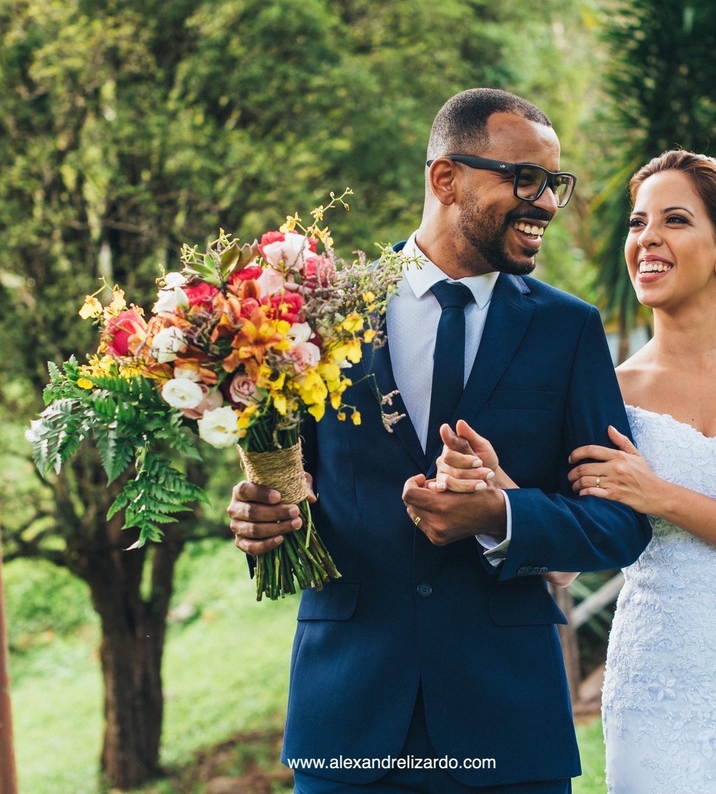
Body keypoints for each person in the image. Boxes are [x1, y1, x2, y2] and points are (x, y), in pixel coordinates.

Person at [226, 88, 652, 793]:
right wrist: (258, 516)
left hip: (508, 725)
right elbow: (285, 482)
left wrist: (501, 516)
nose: (544, 201)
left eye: (553, 185)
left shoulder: (568, 330)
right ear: (445, 178)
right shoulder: (321, 311)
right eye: (523, 178)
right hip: (347, 721)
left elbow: (621, 523)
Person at [437, 150, 716, 793]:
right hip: (663, 686)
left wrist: (662, 496)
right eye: (638, 223)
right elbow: (566, 562)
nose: (648, 240)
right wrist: (505, 493)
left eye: (674, 221)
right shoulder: (605, 392)